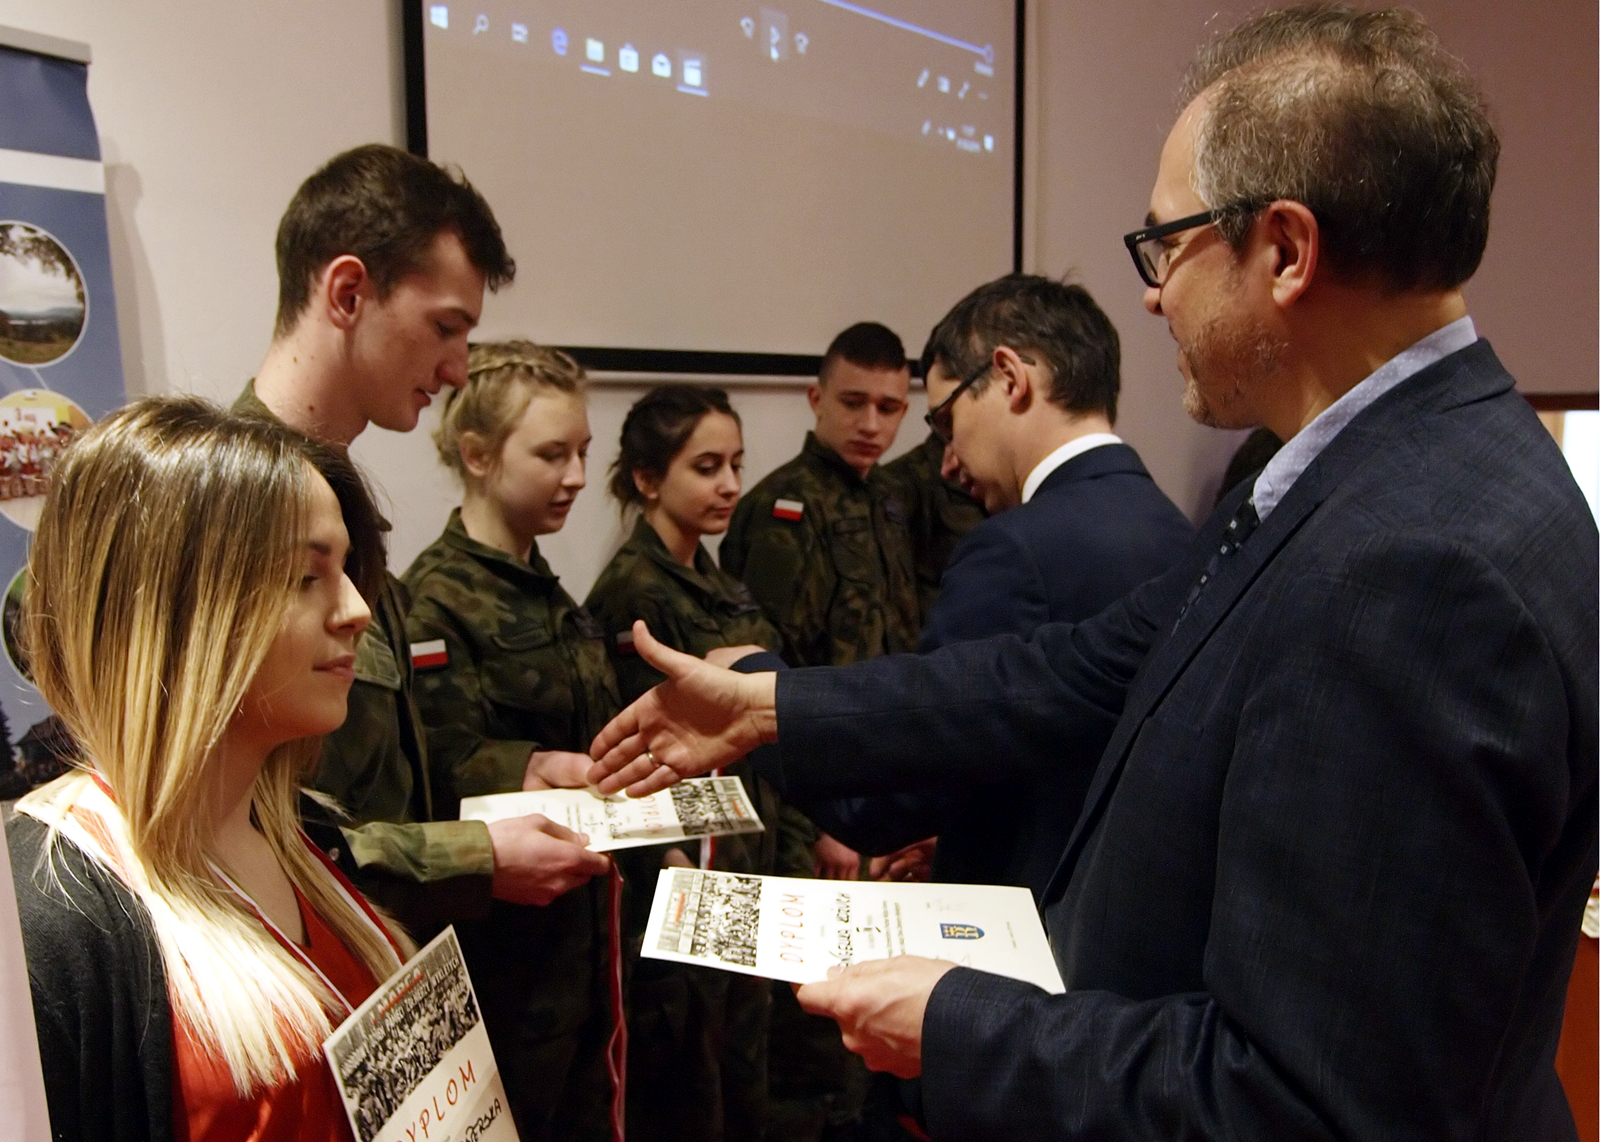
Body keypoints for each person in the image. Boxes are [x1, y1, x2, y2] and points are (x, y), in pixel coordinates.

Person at [587, 6, 1599, 1139]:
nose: (1153, 294)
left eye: (1165, 245)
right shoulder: (1364, 469)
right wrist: (772, 706)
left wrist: (959, 1023)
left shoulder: (1414, 566)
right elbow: (1075, 670)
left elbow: (1306, 1103)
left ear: (1284, 250)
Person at [9, 397, 411, 1142]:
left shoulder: (303, 834)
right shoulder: (49, 912)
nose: (357, 609)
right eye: (305, 576)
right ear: (175, 612)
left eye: (346, 568)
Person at [236, 144, 602, 936]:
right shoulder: (223, 508)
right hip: (291, 962)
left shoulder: (338, 507)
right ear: (348, 293)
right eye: (445, 327)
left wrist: (517, 769)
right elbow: (249, 830)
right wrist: (471, 858)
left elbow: (372, 769)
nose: (459, 370)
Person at [827, 274, 1195, 898]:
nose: (947, 461)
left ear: (1008, 378)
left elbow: (905, 781)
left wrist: (754, 697)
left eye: (947, 422)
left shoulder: (1014, 550)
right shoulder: (1179, 530)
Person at [401, 341, 618, 1142]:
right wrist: (527, 768)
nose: (578, 476)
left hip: (581, 943)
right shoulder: (435, 601)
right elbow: (433, 773)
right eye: (553, 454)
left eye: (583, 452)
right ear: (478, 455)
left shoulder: (548, 590)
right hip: (508, 961)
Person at [584, 383, 812, 1142]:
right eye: (706, 467)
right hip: (687, 869)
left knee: (746, 1062)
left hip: (748, 850)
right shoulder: (633, 591)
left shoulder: (719, 577)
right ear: (649, 479)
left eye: (736, 465)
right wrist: (672, 866)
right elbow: (630, 751)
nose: (730, 485)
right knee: (691, 1080)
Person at [719, 322, 920, 1139]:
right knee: (807, 1028)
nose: (871, 423)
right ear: (815, 399)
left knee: (871, 1014)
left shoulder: (890, 498)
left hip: (879, 800)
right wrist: (821, 821)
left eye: (890, 407)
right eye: (853, 402)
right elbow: (765, 685)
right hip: (810, 811)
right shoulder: (782, 509)